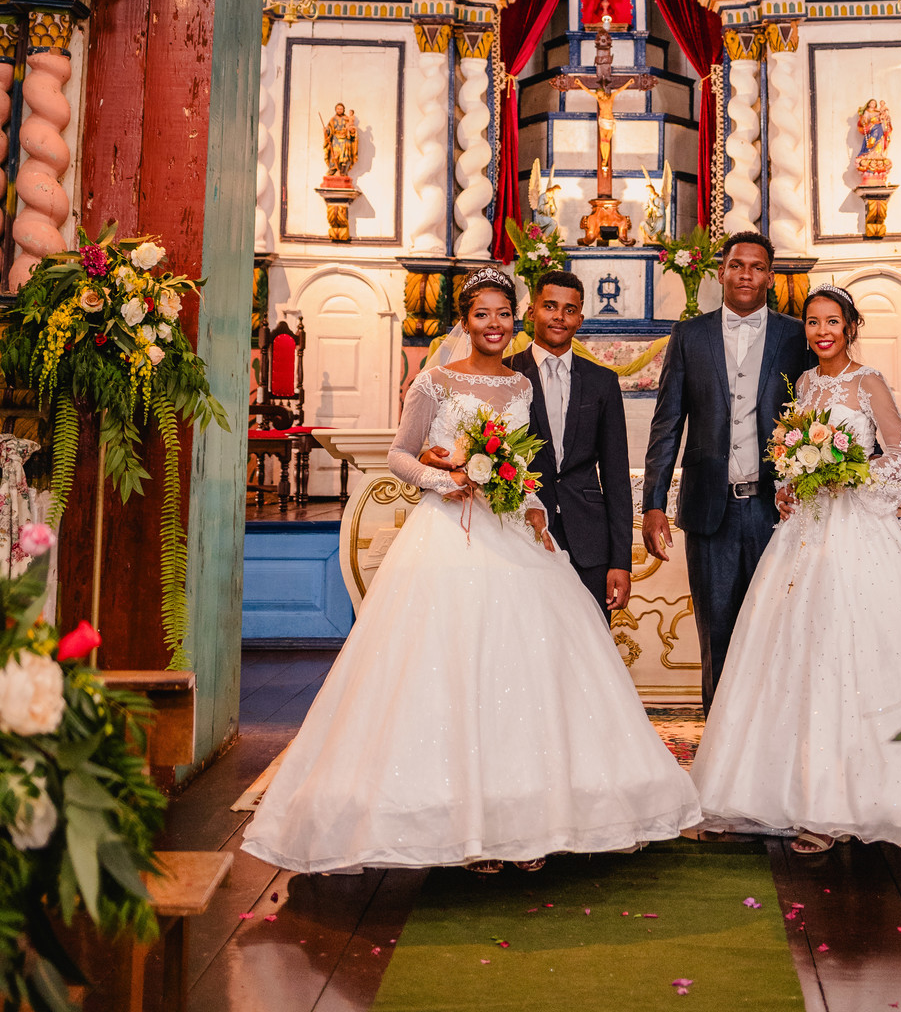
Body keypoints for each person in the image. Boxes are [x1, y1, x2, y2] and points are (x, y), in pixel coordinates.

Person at [243, 266, 700, 873]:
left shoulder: (519, 389)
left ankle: (525, 823)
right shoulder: (434, 382)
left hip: (512, 534)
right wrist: (446, 478)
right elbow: (399, 456)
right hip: (448, 539)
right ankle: (460, 826)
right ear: (466, 320)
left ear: (517, 320)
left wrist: (532, 510)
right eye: (483, 314)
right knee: (450, 671)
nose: (494, 324)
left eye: (502, 314)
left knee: (523, 675)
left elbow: (522, 467)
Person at [688, 285, 901, 852]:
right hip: (803, 532)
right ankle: (794, 792)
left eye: (832, 322)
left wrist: (850, 475)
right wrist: (792, 487)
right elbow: (792, 456)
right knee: (795, 653)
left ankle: (848, 800)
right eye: (814, 323)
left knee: (852, 653)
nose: (822, 332)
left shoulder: (866, 382)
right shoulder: (808, 385)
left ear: (850, 326)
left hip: (856, 532)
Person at [641, 231, 813, 712]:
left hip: (776, 510)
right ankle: (719, 743)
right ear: (721, 271)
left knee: (776, 629)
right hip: (709, 509)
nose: (746, 274)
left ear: (770, 277)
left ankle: (772, 739)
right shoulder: (689, 335)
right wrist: (653, 504)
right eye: (737, 264)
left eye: (757, 267)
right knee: (716, 633)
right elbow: (667, 424)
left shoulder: (796, 335)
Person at [507, 270, 633, 618]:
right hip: (520, 533)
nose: (559, 316)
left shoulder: (602, 382)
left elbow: (617, 476)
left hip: (589, 542)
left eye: (569, 309)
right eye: (550, 306)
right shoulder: (504, 375)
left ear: (580, 318)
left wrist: (620, 562)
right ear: (531, 312)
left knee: (590, 647)